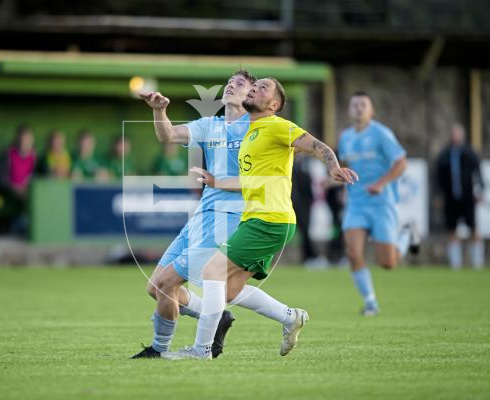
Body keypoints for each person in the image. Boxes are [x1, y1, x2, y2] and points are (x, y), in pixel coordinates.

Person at [161, 77, 357, 360]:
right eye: (254, 87)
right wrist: (218, 182)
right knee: (229, 288)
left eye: (262, 88)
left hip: (269, 219)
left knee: (210, 272)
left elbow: (316, 146)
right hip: (261, 220)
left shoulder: (277, 125)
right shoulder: (251, 133)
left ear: (274, 104)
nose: (254, 89)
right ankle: (291, 317)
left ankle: (201, 350)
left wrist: (333, 166)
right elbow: (252, 179)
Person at [131, 70, 255, 359]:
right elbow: (169, 135)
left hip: (228, 218)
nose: (231, 86)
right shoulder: (210, 125)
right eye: (229, 82)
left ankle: (158, 350)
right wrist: (161, 111)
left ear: (251, 94)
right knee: (155, 288)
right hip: (202, 216)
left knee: (166, 284)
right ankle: (215, 316)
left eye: (240, 84)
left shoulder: (257, 127)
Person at [337, 92, 419, 317]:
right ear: (349, 110)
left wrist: (381, 183)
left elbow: (401, 163)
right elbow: (343, 166)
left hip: (382, 203)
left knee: (388, 263)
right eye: (355, 105)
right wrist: (335, 179)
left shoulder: (381, 134)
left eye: (363, 105)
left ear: (371, 110)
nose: (359, 109)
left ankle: (406, 236)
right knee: (353, 253)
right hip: (356, 203)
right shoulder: (345, 138)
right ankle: (371, 302)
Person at [435, 123, 484, 269]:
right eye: (453, 134)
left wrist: (480, 190)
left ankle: (477, 264)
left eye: (457, 134)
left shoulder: (470, 153)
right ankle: (455, 265)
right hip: (451, 197)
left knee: (473, 228)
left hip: (468, 197)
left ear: (462, 136)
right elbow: (438, 178)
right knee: (452, 229)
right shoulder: (444, 155)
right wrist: (438, 195)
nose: (455, 137)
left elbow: (478, 173)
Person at [292, 154, 328, 268]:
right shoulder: (297, 165)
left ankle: (312, 257)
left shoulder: (308, 164)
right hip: (294, 203)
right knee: (303, 231)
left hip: (305, 203)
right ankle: (309, 257)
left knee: (307, 230)